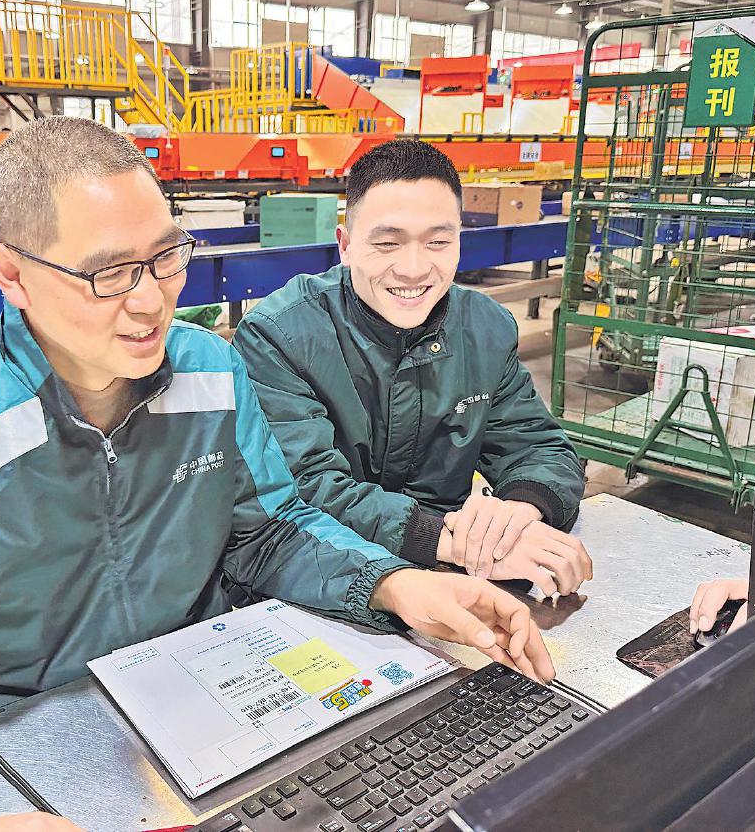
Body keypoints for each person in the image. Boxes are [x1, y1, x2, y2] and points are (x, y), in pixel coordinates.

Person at [0, 118, 555, 832]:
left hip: (208, 717)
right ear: (11, 274)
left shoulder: (211, 371)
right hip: (8, 744)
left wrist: (397, 584)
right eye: (107, 273)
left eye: (166, 257)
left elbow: (271, 529)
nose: (150, 300)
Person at [234, 138, 592, 597]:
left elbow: (538, 446)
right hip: (323, 578)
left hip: (450, 572)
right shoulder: (280, 335)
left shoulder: (485, 329)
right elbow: (304, 487)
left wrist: (516, 514)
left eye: (438, 242)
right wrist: (450, 540)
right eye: (387, 243)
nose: (414, 269)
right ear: (345, 245)